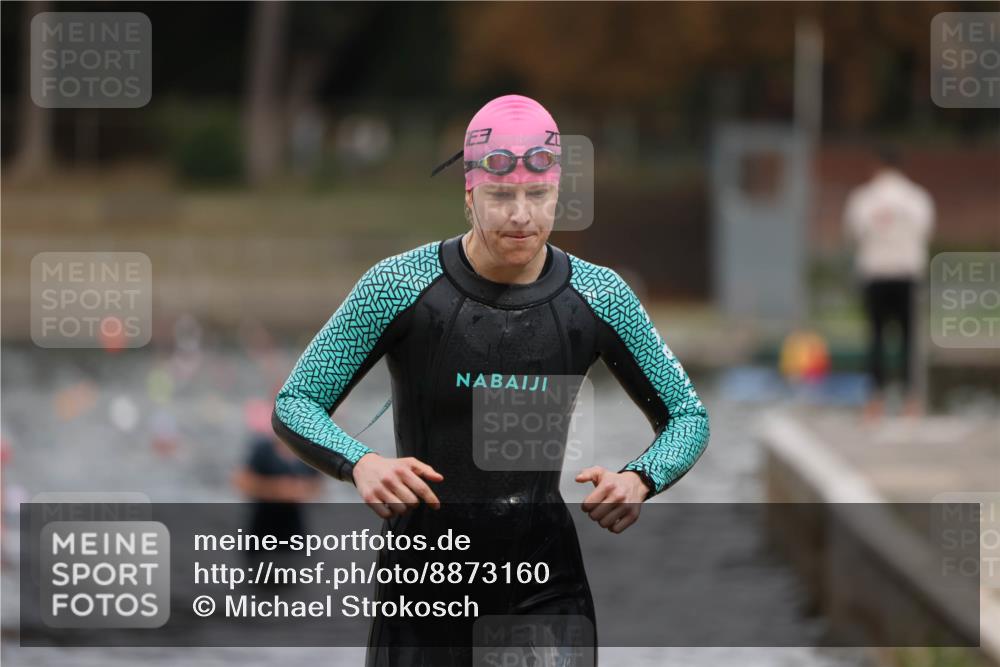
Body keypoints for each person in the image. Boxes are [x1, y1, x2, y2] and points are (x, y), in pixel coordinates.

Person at [272, 94, 710, 665]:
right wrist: (362, 463)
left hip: (543, 586)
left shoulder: (600, 296)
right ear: (470, 194)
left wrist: (640, 479)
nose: (521, 215)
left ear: (560, 194)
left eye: (539, 195)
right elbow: (296, 401)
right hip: (423, 594)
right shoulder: (400, 285)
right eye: (501, 196)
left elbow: (688, 417)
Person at [843, 146, 935, 419]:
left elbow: (854, 232)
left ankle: (875, 402)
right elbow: (925, 230)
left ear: (876, 165)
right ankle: (911, 402)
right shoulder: (917, 197)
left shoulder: (863, 198)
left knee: (876, 338)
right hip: (907, 273)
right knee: (909, 338)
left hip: (875, 273)